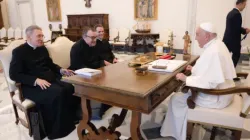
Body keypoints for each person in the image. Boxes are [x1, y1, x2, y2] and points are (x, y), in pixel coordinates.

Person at [160, 22, 236, 140]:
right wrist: (194, 69)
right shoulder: (217, 44)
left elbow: (210, 83)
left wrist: (186, 78)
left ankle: (175, 133)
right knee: (180, 94)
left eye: (197, 35)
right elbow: (209, 70)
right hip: (224, 91)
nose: (195, 38)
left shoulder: (214, 51)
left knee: (176, 99)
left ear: (207, 36)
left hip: (216, 97)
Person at [9, 25, 79, 139]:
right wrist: (35, 80)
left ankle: (68, 122)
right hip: (31, 86)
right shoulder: (19, 52)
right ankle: (56, 130)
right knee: (58, 93)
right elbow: (14, 75)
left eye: (42, 35)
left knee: (69, 88)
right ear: (29, 37)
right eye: (38, 36)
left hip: (50, 80)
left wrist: (61, 70)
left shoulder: (42, 48)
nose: (41, 38)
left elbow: (50, 65)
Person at [69, 27, 111, 120]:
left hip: (94, 70)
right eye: (92, 38)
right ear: (84, 36)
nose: (95, 40)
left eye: (95, 37)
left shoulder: (94, 44)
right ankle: (92, 110)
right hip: (80, 73)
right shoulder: (76, 47)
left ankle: (105, 104)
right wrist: (97, 68)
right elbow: (77, 66)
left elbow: (98, 59)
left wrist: (103, 63)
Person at [223, 0, 250, 67]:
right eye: (244, 4)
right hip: (234, 42)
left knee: (226, 59)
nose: (245, 7)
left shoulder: (230, 13)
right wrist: (245, 31)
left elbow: (234, 27)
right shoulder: (237, 14)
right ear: (241, 3)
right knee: (235, 58)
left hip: (227, 40)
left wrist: (243, 30)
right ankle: (231, 75)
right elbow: (237, 28)